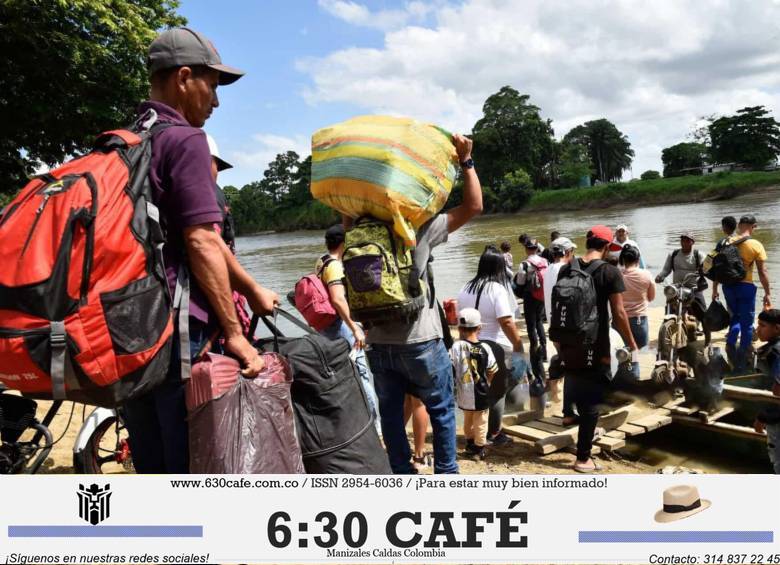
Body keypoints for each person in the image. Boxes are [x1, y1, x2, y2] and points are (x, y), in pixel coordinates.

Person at [123, 28, 278, 474]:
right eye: (212, 85)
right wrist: (234, 333)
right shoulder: (185, 139)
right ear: (184, 78)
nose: (216, 101)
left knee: (152, 462)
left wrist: (249, 288)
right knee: (195, 463)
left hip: (130, 329)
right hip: (179, 335)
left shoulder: (125, 140)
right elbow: (202, 240)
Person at [365, 133, 483, 475]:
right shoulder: (419, 228)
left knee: (390, 415)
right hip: (420, 342)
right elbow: (473, 206)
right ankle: (446, 474)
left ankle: (401, 473)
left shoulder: (359, 229)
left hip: (378, 344)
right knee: (441, 409)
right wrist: (466, 161)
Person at [556, 225, 638, 473]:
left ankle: (580, 428)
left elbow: (559, 307)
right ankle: (583, 458)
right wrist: (631, 344)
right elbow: (619, 313)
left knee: (578, 386)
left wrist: (559, 343)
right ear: (607, 247)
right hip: (596, 344)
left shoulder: (567, 268)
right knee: (592, 401)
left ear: (587, 242)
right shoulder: (609, 271)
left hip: (569, 342)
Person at [457, 245, 526, 447]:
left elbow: (461, 321)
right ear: (499, 267)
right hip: (495, 347)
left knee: (475, 390)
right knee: (497, 392)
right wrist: (518, 344)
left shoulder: (465, 288)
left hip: (470, 345)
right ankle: (494, 433)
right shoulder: (497, 289)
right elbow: (506, 321)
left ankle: (474, 431)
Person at [315, 224, 380, 432]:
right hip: (341, 327)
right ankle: (375, 427)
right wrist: (355, 328)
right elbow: (337, 299)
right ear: (344, 243)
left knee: (343, 376)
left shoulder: (321, 261)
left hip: (327, 328)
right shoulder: (335, 265)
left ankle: (352, 424)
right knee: (361, 374)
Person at [712, 215, 772, 372]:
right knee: (747, 322)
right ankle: (742, 357)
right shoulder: (756, 245)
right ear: (753, 226)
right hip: (746, 287)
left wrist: (714, 289)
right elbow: (762, 272)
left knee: (735, 317)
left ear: (739, 225)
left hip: (728, 287)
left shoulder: (725, 242)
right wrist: (767, 293)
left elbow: (716, 267)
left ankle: (730, 344)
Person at [450, 308, 499, 460]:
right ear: (479, 327)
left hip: (463, 392)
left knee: (468, 419)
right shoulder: (486, 348)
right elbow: (492, 370)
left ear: (459, 328)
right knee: (481, 421)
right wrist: (488, 382)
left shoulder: (456, 347)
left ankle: (470, 443)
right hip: (481, 392)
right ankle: (480, 447)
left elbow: (450, 367)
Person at [544, 237, 577, 406]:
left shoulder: (548, 269)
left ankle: (556, 394)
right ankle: (567, 401)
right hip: (564, 322)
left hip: (553, 322)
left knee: (562, 356)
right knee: (571, 360)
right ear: (567, 252)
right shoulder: (564, 269)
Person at [655, 232, 708, 334]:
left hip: (693, 287)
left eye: (687, 240)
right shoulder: (673, 254)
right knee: (669, 305)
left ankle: (707, 334)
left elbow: (706, 267)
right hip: (677, 287)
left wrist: (703, 270)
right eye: (682, 240)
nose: (684, 242)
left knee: (703, 311)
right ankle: (668, 324)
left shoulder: (698, 254)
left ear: (692, 242)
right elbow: (666, 270)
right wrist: (660, 276)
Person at [618, 245, 655, 378]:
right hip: (639, 320)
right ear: (638, 259)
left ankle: (624, 374)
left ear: (623, 259)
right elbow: (651, 297)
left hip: (619, 320)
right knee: (634, 351)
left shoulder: (617, 275)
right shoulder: (646, 275)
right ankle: (634, 375)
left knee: (622, 350)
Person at [753, 309, 780, 474]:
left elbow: (777, 392)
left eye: (762, 326)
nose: (758, 330)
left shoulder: (775, 352)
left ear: (777, 328)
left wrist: (762, 417)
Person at [517, 238, 549, 369]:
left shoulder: (524, 264)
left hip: (530, 296)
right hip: (542, 296)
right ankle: (544, 352)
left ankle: (535, 353)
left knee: (531, 325)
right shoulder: (545, 261)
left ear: (526, 249)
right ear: (537, 248)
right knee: (539, 321)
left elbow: (520, 282)